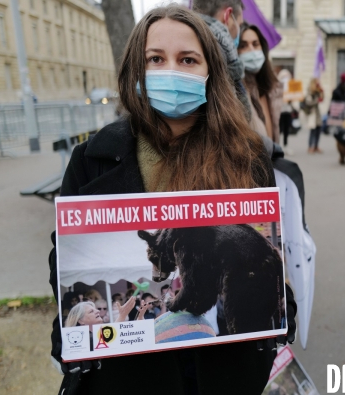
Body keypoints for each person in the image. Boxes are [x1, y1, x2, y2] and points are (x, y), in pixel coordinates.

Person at [48, 6, 296, 394]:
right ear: (137, 69)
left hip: (224, 368)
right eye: (155, 59)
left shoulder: (247, 156)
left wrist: (280, 308)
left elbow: (269, 244)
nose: (171, 71)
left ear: (209, 73)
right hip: (130, 376)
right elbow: (62, 253)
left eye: (188, 60)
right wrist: (71, 331)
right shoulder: (91, 159)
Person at [238, 23, 282, 143]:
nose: (251, 50)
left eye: (255, 44)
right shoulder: (237, 90)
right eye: (243, 45)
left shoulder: (272, 87)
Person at [303, 78, 324, 153]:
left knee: (318, 130)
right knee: (313, 131)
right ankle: (310, 146)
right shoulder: (310, 92)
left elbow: (321, 99)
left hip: (317, 113)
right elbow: (308, 102)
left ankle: (316, 146)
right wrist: (316, 100)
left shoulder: (317, 91)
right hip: (312, 113)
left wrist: (321, 92)